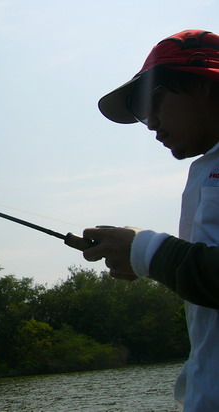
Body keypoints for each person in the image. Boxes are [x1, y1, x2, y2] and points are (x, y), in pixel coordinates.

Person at [82, 30, 219, 411]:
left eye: (155, 101)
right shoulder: (207, 169)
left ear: (207, 83)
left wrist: (145, 252)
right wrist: (144, 254)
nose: (151, 123)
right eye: (143, 112)